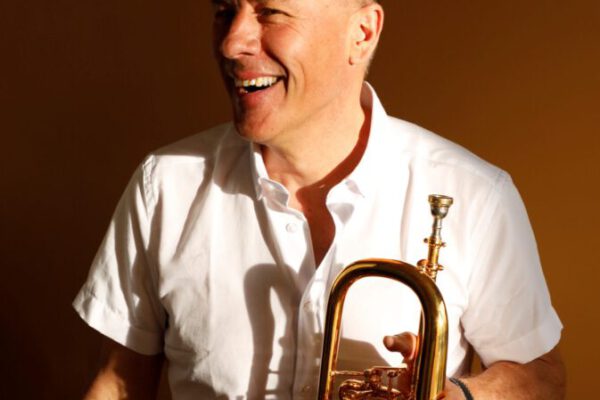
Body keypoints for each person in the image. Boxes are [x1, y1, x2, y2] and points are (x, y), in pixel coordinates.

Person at [74, 0, 566, 398]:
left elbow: (541, 377)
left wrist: (463, 397)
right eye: (224, 11)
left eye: (271, 12)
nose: (231, 42)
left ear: (362, 33)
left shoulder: (475, 193)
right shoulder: (164, 184)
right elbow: (117, 383)